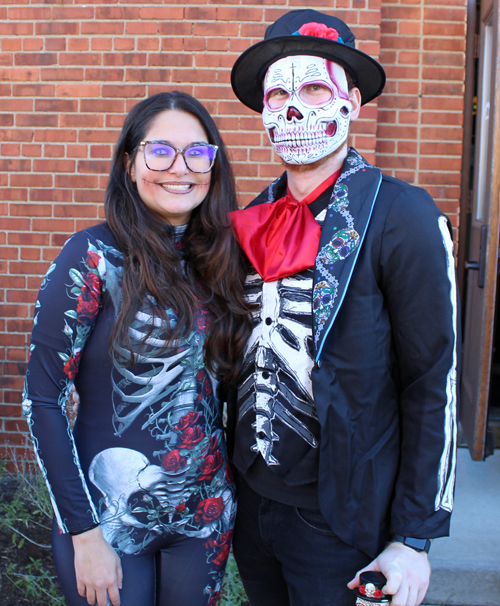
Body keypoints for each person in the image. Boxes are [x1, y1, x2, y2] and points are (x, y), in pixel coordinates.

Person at [228, 10, 460, 606]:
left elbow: (433, 381)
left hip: (343, 521)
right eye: (278, 92)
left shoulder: (402, 217)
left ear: (352, 103)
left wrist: (413, 538)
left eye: (313, 88)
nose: (292, 108)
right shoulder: (251, 219)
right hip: (252, 508)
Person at [22, 91, 253, 606]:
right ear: (130, 164)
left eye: (198, 152)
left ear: (213, 165)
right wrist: (84, 533)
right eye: (160, 151)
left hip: (204, 519)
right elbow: (42, 399)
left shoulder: (225, 262)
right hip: (107, 519)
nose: (180, 168)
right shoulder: (89, 258)